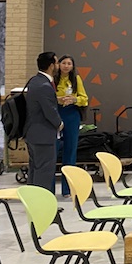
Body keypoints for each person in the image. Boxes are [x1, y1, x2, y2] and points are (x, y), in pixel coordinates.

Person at [24, 51, 63, 193]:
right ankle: (42, 205)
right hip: (43, 135)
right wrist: (59, 123)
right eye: (57, 63)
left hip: (33, 134)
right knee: (44, 173)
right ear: (52, 65)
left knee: (35, 169)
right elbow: (49, 110)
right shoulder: (44, 86)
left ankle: (34, 201)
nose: (58, 66)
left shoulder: (35, 81)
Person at [54, 55, 88, 198]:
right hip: (56, 112)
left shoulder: (76, 79)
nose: (66, 66)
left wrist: (74, 99)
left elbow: (84, 99)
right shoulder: (53, 79)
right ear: (58, 65)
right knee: (53, 149)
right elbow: (47, 97)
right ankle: (49, 188)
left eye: (69, 63)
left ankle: (67, 189)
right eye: (63, 63)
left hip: (71, 114)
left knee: (70, 150)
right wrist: (59, 99)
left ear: (73, 66)